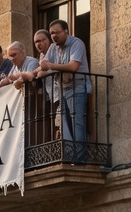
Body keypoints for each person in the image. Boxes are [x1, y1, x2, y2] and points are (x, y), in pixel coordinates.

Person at [37, 19, 90, 162]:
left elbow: (73, 67)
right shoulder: (53, 48)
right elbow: (44, 66)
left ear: (66, 31)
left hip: (78, 87)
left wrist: (51, 66)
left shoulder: (76, 43)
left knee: (77, 122)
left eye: (57, 32)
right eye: (52, 33)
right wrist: (28, 75)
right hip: (63, 89)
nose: (54, 36)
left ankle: (79, 159)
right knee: (65, 124)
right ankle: (70, 157)